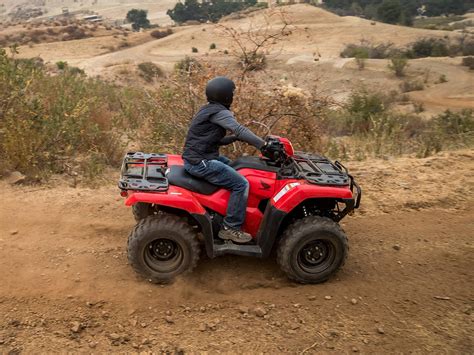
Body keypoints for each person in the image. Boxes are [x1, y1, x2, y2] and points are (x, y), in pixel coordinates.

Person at [182, 76, 265, 244]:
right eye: (232, 93)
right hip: (200, 162)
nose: (233, 95)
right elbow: (239, 128)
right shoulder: (220, 112)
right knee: (241, 184)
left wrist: (234, 139)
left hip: (198, 157)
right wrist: (263, 145)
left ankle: (224, 208)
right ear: (226, 95)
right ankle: (231, 228)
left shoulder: (207, 109)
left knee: (235, 166)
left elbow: (210, 138)